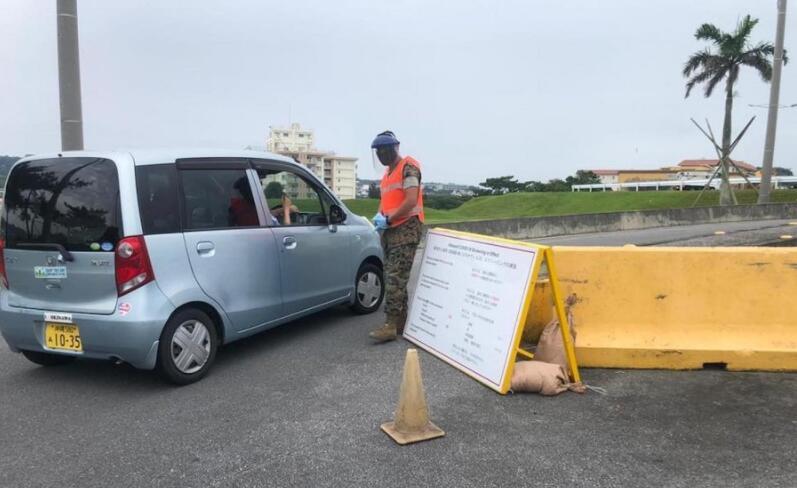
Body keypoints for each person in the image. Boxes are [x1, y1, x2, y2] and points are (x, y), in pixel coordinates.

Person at [368, 130, 425, 343]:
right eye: (378, 151)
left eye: (385, 150)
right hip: (391, 232)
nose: (382, 154)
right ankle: (402, 322)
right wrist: (380, 216)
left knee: (394, 279)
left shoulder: (408, 167)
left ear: (395, 148)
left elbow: (410, 200)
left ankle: (390, 325)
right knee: (396, 278)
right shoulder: (387, 174)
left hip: (406, 230)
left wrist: (390, 219)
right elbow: (386, 200)